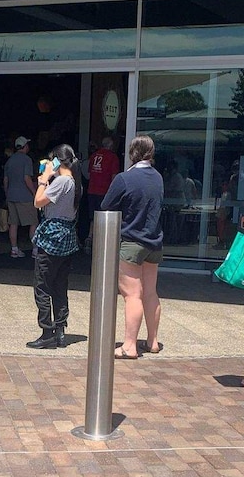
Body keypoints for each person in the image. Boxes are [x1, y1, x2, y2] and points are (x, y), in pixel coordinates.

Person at [101, 135, 164, 359]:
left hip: (132, 242)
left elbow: (106, 204)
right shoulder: (158, 178)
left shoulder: (124, 178)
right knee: (150, 292)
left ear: (132, 154)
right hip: (155, 242)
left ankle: (129, 346)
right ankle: (153, 341)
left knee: (132, 295)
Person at [27, 143, 82, 350]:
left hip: (52, 237)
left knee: (42, 286)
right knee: (60, 285)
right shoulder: (75, 181)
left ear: (58, 161)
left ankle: (46, 331)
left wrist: (42, 181)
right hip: (67, 236)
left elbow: (38, 202)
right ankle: (60, 330)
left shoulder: (61, 181)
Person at [84, 137, 120, 254]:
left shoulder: (94, 156)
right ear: (111, 146)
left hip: (92, 190)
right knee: (105, 217)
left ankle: (90, 238)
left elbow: (89, 173)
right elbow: (114, 177)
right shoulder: (113, 157)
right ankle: (102, 242)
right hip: (104, 191)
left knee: (93, 217)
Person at [4, 136, 38, 259]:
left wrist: (7, 194)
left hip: (11, 196)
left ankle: (14, 249)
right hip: (25, 196)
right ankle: (35, 250)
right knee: (33, 223)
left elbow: (6, 180)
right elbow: (27, 178)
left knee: (13, 223)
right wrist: (34, 192)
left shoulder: (10, 160)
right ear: (25, 146)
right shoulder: (27, 160)